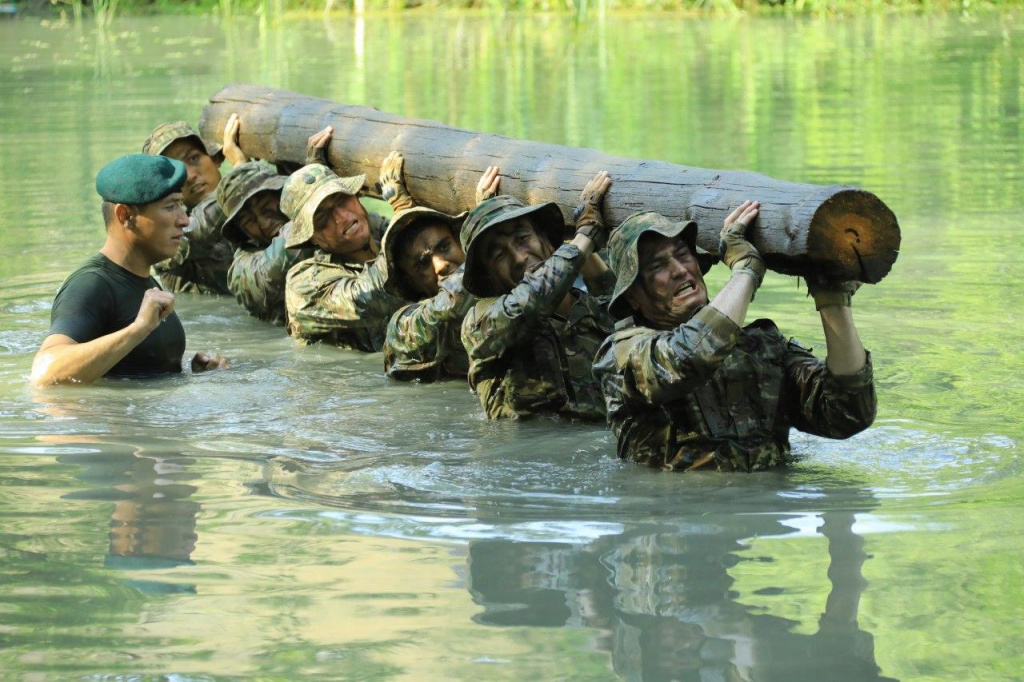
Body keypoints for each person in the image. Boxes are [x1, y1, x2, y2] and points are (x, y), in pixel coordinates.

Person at [591, 202, 876, 471]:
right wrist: (746, 270)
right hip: (677, 513)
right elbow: (686, 357)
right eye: (657, 267)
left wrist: (834, 300)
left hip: (764, 511)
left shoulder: (760, 346)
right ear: (634, 297)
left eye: (682, 254)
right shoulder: (622, 353)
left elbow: (847, 414)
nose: (679, 270)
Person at [30, 154, 228, 386]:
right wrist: (138, 329)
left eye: (182, 205)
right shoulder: (90, 285)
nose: (184, 220)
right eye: (170, 207)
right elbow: (45, 372)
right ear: (125, 215)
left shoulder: (145, 281)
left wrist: (193, 376)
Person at [459, 172, 616, 420]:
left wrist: (584, 234)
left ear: (547, 241)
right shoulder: (480, 324)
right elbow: (528, 304)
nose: (519, 257)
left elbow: (621, 306)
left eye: (523, 239)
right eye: (499, 255)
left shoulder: (591, 308)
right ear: (489, 278)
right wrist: (584, 237)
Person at [381, 164, 501, 381]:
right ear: (410, 282)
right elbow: (452, 301)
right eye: (422, 264)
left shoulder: (500, 277)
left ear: (459, 241)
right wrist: (483, 220)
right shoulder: (403, 325)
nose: (440, 265)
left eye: (444, 247)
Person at [281, 157, 405, 351]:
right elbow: (368, 299)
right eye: (323, 218)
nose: (341, 218)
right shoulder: (303, 282)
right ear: (312, 236)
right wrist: (404, 214)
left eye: (342, 201)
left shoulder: (381, 232)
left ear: (356, 196)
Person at [141, 115, 247, 294]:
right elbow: (198, 230)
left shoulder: (251, 204)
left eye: (193, 159)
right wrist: (241, 170)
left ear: (215, 159)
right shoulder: (164, 237)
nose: (189, 176)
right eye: (174, 171)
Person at [218, 161, 314, 325]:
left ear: (282, 194)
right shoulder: (242, 270)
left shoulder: (323, 224)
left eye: (265, 206)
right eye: (249, 221)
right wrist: (312, 190)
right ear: (243, 232)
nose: (264, 223)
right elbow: (277, 263)